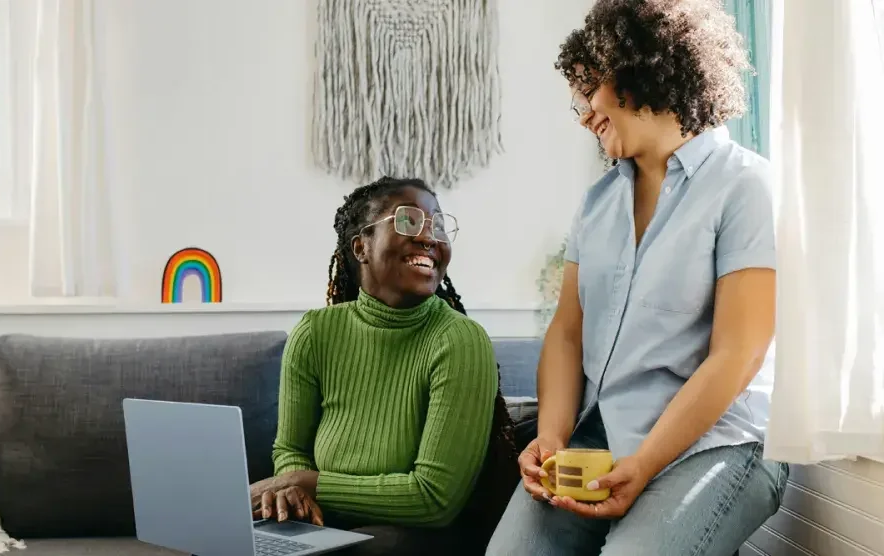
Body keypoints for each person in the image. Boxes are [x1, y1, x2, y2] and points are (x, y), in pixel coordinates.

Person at [486, 1, 789, 554]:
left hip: (715, 445)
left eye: (589, 91)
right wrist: (552, 437)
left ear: (641, 68)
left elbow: (738, 354)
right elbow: (567, 332)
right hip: (599, 439)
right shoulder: (597, 203)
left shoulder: (746, 185)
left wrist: (647, 463)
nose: (582, 116)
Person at [249, 176, 519, 555]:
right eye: (408, 221)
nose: (429, 238)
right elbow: (290, 448)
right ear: (361, 246)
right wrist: (292, 489)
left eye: (438, 226)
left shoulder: (459, 340)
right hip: (323, 522)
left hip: (414, 535)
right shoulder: (316, 332)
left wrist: (307, 482)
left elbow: (435, 499)